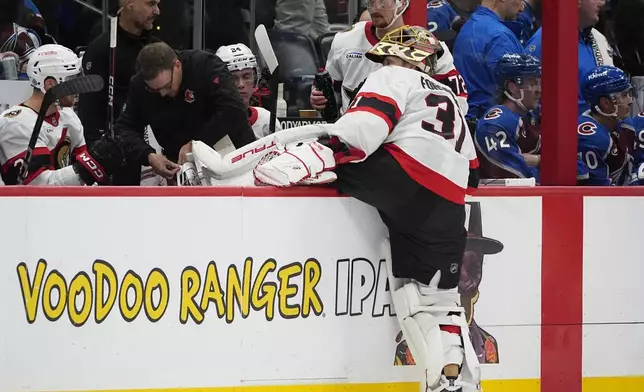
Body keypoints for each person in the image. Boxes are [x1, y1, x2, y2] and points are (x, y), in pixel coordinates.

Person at [188, 25, 481, 391]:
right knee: (437, 300)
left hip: (402, 175)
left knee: (323, 152)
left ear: (404, 59)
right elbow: (473, 173)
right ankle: (453, 382)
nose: (383, 63)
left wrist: (331, 154)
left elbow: (361, 130)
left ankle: (230, 181)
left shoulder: (393, 77)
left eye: (388, 56)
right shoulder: (450, 100)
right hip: (448, 204)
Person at [114, 41, 257, 180]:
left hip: (231, 155)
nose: (163, 93)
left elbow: (234, 110)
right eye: (154, 90)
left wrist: (196, 144)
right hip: (181, 165)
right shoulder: (139, 86)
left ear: (177, 66)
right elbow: (124, 127)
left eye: (167, 85)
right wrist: (148, 155)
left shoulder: (205, 65)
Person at [311, 0, 468, 117]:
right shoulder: (345, 39)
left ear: (402, 4)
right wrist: (318, 96)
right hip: (353, 136)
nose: (375, 7)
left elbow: (458, 102)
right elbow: (328, 86)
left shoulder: (431, 47)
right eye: (371, 1)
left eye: (383, 2)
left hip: (405, 140)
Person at [0, 44, 125, 185]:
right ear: (50, 84)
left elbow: (82, 179)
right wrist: (89, 167)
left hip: (65, 204)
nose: (78, 87)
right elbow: (38, 187)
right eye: (71, 79)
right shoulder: (16, 124)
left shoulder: (68, 116)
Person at [78, 0, 161, 185]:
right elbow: (89, 108)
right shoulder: (101, 49)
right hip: (117, 151)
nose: (157, 11)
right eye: (151, 4)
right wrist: (96, 156)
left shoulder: (157, 49)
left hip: (155, 148)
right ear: (129, 3)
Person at [526, 0, 612, 115]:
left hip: (597, 127)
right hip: (562, 129)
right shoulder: (546, 40)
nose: (602, 3)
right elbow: (527, 96)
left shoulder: (597, 38)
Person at [453, 0, 526, 123]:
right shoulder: (499, 36)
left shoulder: (470, 25)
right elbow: (518, 93)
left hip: (468, 118)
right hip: (493, 124)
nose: (523, 7)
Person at [475, 53, 541, 181]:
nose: (539, 89)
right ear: (513, 87)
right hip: (499, 200)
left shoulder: (531, 118)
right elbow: (520, 178)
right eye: (533, 83)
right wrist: (541, 161)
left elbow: (573, 166)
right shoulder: (495, 124)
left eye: (539, 83)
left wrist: (535, 160)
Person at [215, 43, 283, 141]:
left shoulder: (266, 120)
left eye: (246, 76)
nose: (241, 84)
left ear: (256, 78)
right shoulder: (211, 124)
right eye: (233, 78)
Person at [577, 65, 632, 186]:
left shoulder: (622, 124)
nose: (630, 100)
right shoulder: (592, 139)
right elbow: (598, 193)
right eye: (624, 95)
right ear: (605, 103)